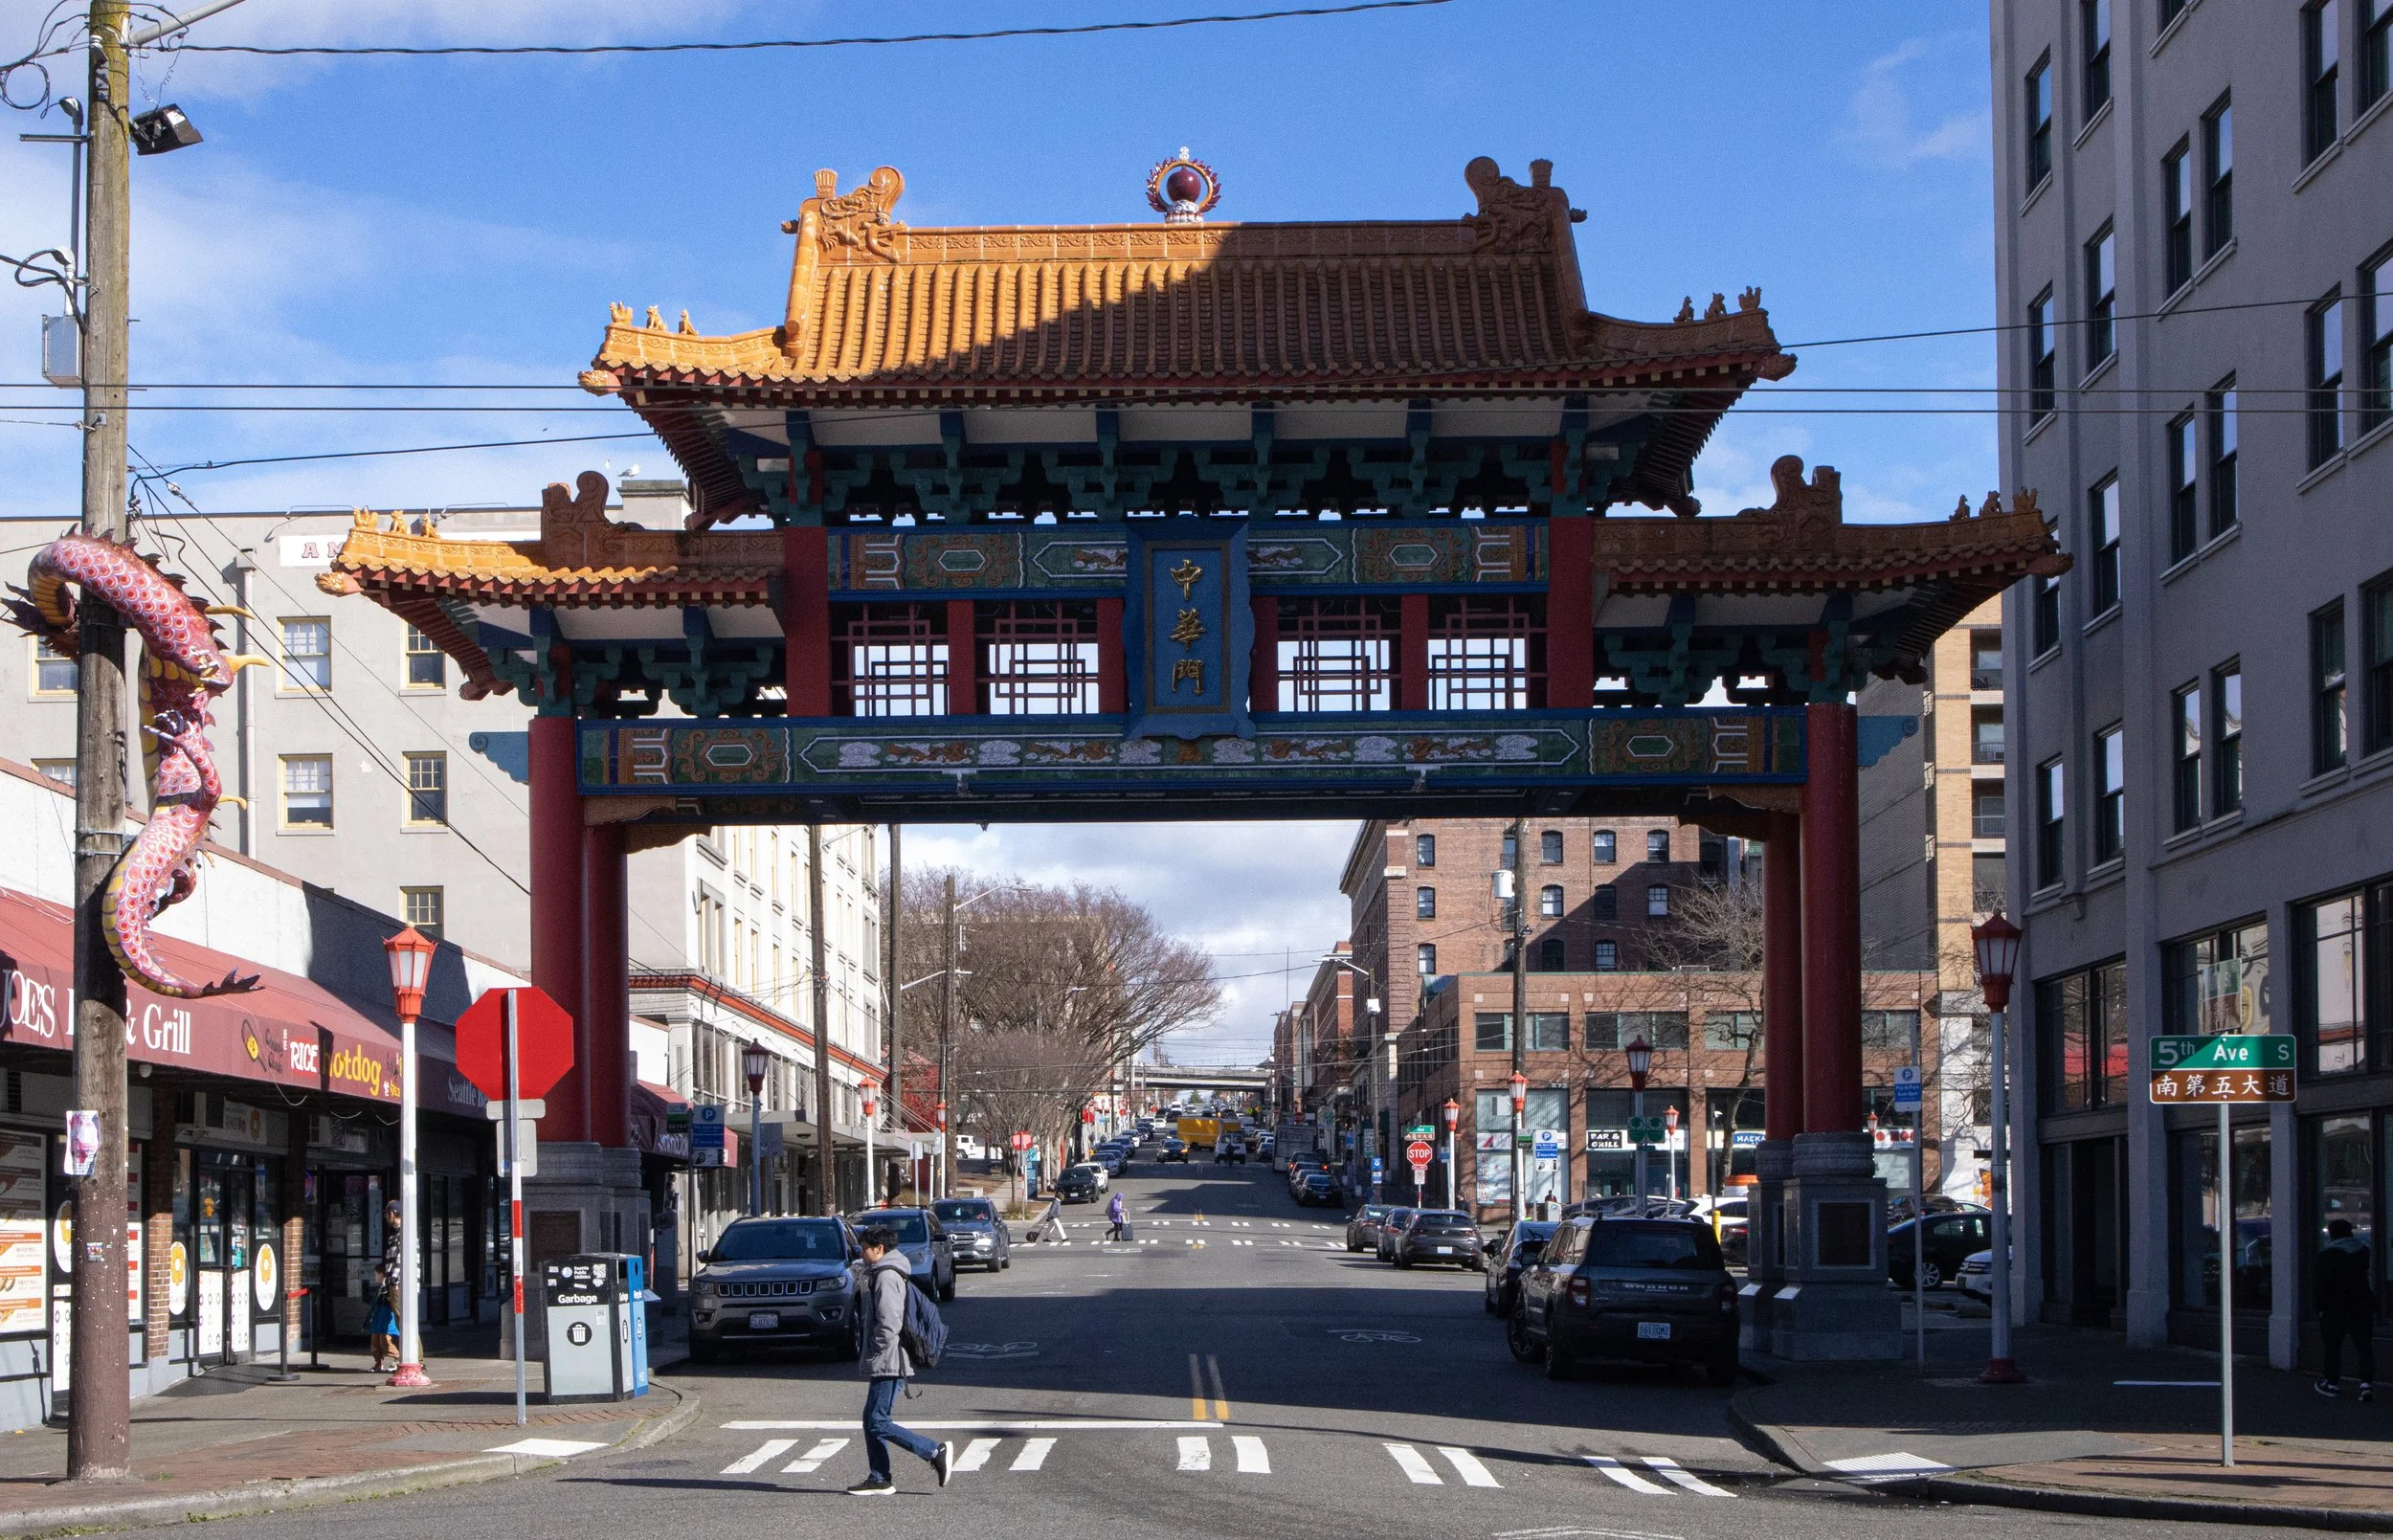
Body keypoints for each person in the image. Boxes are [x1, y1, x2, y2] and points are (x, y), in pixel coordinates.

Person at [847, 1225, 952, 1496]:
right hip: (888, 1359)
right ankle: (879, 1477)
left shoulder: (887, 1276)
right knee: (870, 1418)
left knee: (877, 1421)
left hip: (889, 1359)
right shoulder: (884, 1273)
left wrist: (874, 1349)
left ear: (879, 1249)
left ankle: (933, 1450)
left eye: (864, 1248)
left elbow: (889, 1323)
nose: (861, 1253)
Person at [2315, 1217, 2377, 1401]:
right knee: (2364, 1346)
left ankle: (2332, 1382)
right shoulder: (2362, 1252)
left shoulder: (2326, 1256)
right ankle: (2366, 1383)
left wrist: (2320, 1307)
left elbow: (2320, 1285)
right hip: (2362, 1305)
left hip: (2335, 1308)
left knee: (2333, 1347)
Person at [366, 1261, 400, 1373]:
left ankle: (397, 1358)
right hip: (378, 1318)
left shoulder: (388, 1287)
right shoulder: (381, 1288)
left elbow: (393, 1303)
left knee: (385, 1341)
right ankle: (378, 1363)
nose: (375, 1276)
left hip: (386, 1318)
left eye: (376, 1273)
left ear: (382, 1274)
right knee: (375, 1343)